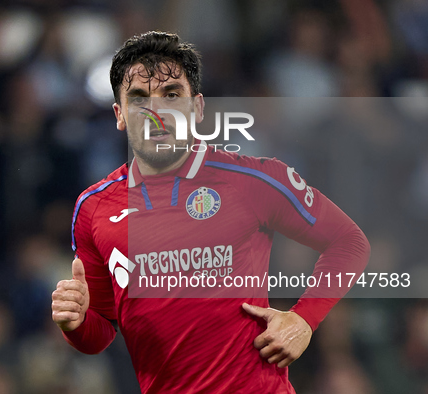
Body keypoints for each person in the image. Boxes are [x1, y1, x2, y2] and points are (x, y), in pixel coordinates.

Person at [51, 31, 370, 393]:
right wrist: (75, 323)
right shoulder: (93, 208)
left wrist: (304, 320)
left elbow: (349, 241)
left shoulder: (253, 179)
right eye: (139, 99)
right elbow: (101, 334)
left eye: (171, 95)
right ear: (120, 115)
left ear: (197, 107)